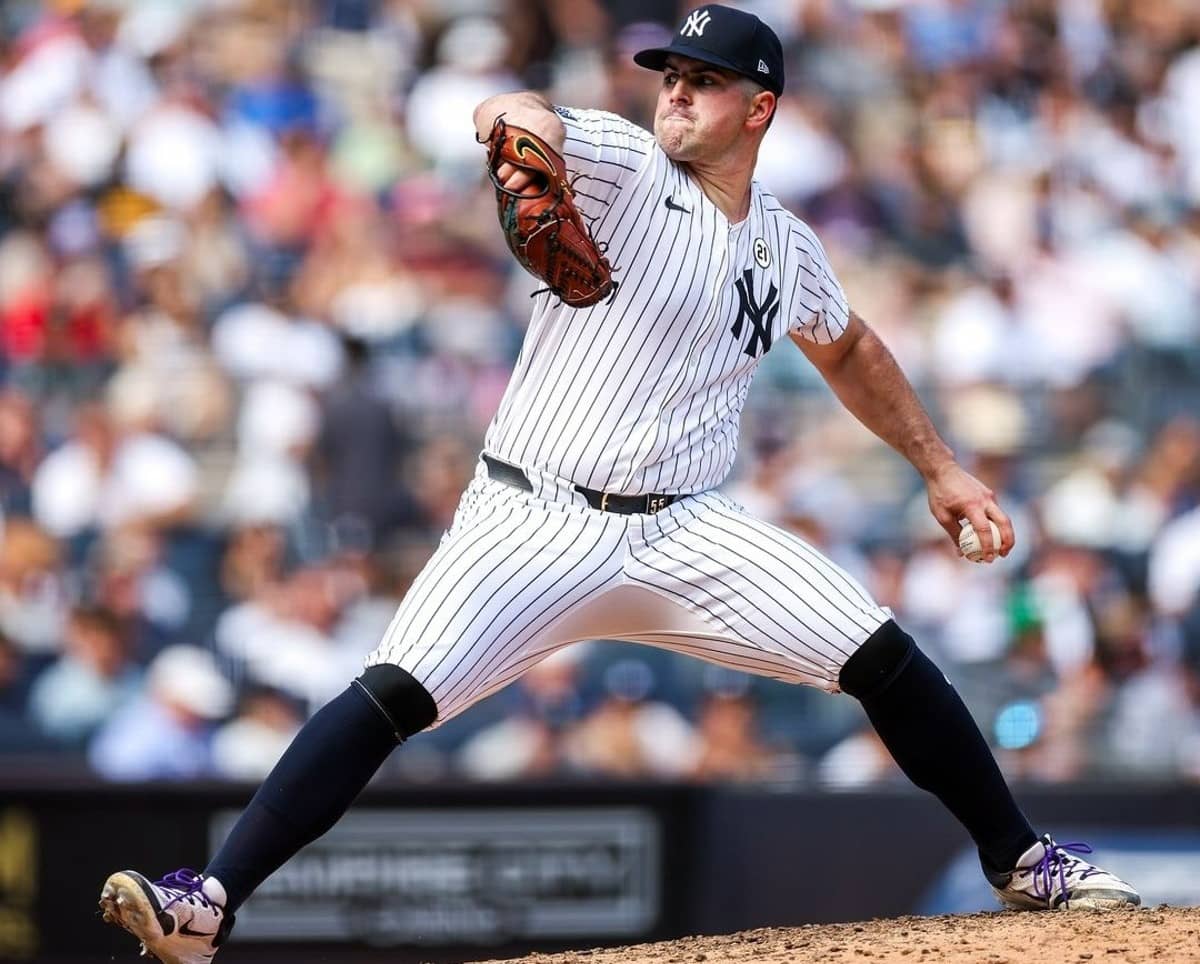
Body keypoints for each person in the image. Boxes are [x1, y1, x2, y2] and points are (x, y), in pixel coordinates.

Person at [97, 6, 1139, 962]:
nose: (676, 90)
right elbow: (512, 108)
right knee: (391, 693)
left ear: (760, 107)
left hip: (684, 533)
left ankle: (1021, 859)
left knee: (883, 654)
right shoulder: (629, 167)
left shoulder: (784, 243)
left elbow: (851, 343)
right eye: (671, 72)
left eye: (704, 78)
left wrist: (940, 465)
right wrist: (521, 149)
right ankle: (211, 900)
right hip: (532, 515)